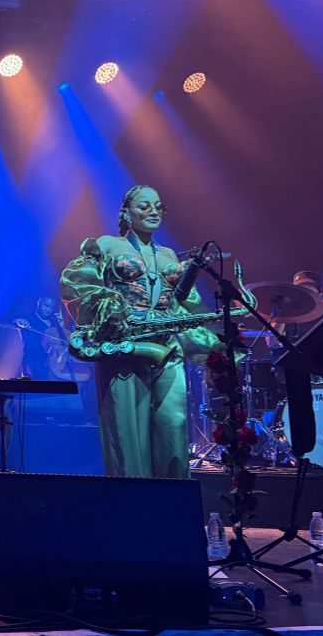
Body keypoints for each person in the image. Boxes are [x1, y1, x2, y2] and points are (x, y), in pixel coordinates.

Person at [60, 185, 223, 479]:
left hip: (166, 347)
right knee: (127, 435)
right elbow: (78, 283)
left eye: (159, 206)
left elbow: (186, 304)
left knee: (173, 427)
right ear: (125, 212)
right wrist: (108, 309)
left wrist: (212, 341)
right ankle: (132, 510)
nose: (153, 211)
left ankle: (172, 509)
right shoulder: (106, 245)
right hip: (126, 345)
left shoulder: (169, 254)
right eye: (144, 206)